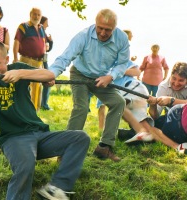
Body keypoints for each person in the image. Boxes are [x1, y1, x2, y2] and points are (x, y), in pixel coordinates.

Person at [0, 40, 90, 200]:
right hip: (14, 138)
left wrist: (21, 74)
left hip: (39, 134)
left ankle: (57, 188)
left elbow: (49, 75)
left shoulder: (18, 69)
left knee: (80, 138)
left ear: (7, 60)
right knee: (25, 166)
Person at [49, 8, 130, 162]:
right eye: (100, 28)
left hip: (101, 78)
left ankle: (104, 147)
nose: (103, 33)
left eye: (108, 30)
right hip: (79, 74)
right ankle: (66, 151)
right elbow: (65, 57)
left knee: (118, 102)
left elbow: (122, 64)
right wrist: (52, 73)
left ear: (115, 27)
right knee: (81, 107)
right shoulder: (83, 36)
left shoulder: (122, 39)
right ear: (95, 24)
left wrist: (110, 76)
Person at [96, 61, 154, 142]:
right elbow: (101, 109)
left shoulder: (118, 61)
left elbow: (137, 72)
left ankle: (141, 131)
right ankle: (146, 133)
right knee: (137, 117)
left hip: (133, 87)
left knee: (119, 104)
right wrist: (101, 131)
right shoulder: (101, 79)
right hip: (133, 96)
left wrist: (116, 73)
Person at [13, 7, 46, 111]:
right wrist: (15, 58)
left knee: (37, 87)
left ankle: (35, 111)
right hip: (26, 60)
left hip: (39, 62)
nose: (36, 17)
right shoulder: (23, 26)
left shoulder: (41, 28)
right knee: (23, 86)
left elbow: (43, 43)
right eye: (34, 14)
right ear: (30, 14)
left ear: (41, 17)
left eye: (38, 15)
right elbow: (16, 42)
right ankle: (22, 110)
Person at [148, 62, 187, 129]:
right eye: (174, 78)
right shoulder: (163, 87)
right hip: (173, 118)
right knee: (153, 124)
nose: (176, 83)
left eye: (181, 80)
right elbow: (155, 117)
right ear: (170, 75)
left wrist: (171, 101)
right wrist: (152, 106)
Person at [40, 16, 53, 111]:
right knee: (48, 80)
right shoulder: (40, 33)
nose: (48, 25)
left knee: (47, 80)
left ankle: (44, 103)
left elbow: (48, 49)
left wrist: (51, 41)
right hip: (41, 61)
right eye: (46, 22)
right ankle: (44, 104)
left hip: (44, 59)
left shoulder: (44, 34)